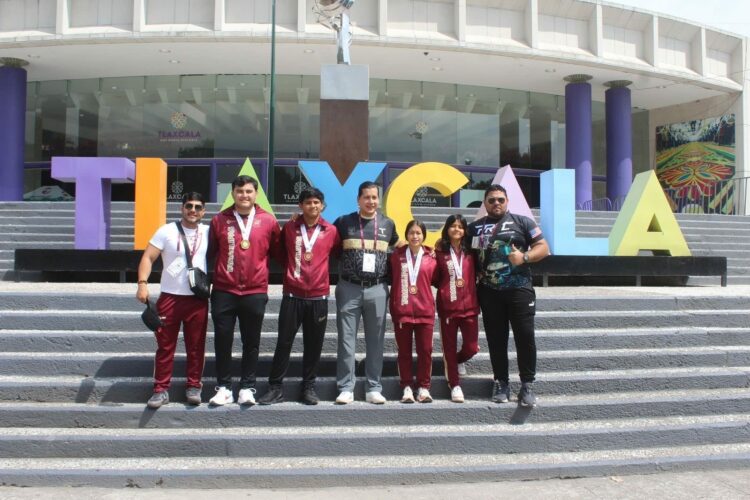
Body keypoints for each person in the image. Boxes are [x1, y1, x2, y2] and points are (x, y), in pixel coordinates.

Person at [467, 184, 549, 408]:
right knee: (496, 339)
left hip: (519, 290)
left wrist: (524, 257)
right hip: (489, 292)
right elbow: (462, 252)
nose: (496, 203)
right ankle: (501, 382)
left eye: (500, 200)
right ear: (485, 203)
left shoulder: (523, 222)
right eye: (491, 200)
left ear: (507, 201)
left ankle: (527, 385)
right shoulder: (474, 228)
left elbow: (543, 247)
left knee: (525, 337)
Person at [258, 188, 341, 405]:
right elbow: (279, 253)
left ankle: (308, 388)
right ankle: (275, 388)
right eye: (308, 202)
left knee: (314, 346)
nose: (313, 206)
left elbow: (336, 253)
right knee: (283, 343)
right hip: (292, 295)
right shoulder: (290, 228)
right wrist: (293, 272)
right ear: (300, 206)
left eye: (316, 202)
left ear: (322, 205)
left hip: (318, 297)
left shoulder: (331, 230)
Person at [207, 175, 281, 406]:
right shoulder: (219, 220)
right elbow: (210, 252)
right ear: (232, 193)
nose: (244, 195)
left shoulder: (268, 221)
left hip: (254, 291)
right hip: (224, 290)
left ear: (256, 194)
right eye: (240, 191)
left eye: (249, 191)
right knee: (223, 340)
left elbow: (278, 252)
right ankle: (224, 387)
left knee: (252, 342)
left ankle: (247, 387)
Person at [136, 192, 210, 409]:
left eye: (198, 207)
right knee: (165, 346)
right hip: (170, 297)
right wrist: (142, 283)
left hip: (197, 299)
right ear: (182, 208)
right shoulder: (166, 231)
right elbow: (148, 257)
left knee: (196, 346)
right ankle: (160, 389)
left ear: (203, 211)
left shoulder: (209, 231)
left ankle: (194, 386)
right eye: (189, 206)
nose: (193, 210)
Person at [334, 181, 399, 405]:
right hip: (349, 287)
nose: (371, 201)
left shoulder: (388, 224)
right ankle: (345, 387)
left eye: (374, 197)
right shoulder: (344, 222)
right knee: (346, 340)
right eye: (366, 197)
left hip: (377, 289)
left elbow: (400, 246)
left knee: (376, 341)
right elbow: (328, 243)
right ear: (358, 199)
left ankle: (373, 387)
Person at [389, 220, 438, 403]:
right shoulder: (396, 256)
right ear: (406, 235)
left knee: (425, 351)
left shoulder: (432, 257)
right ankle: (407, 387)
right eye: (411, 233)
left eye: (418, 233)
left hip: (425, 311)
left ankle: (424, 387)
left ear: (424, 235)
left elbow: (438, 279)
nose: (415, 236)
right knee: (404, 352)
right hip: (402, 311)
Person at [434, 214, 480, 403]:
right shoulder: (439, 252)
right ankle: (454, 385)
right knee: (449, 348)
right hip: (448, 307)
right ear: (447, 229)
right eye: (453, 226)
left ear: (465, 231)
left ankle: (456, 361)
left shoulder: (471, 252)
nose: (456, 229)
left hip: (470, 306)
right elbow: (435, 278)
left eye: (460, 227)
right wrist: (447, 290)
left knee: (472, 347)